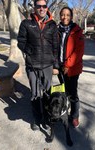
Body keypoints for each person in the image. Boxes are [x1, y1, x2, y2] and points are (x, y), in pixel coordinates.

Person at [17, 0, 59, 131]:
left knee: (47, 93)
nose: (41, 8)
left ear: (47, 8)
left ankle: (47, 118)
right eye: (38, 6)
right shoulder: (26, 23)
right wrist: (29, 51)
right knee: (35, 94)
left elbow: (56, 46)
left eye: (44, 6)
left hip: (47, 65)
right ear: (34, 7)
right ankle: (37, 118)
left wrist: (56, 65)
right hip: (32, 65)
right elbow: (20, 41)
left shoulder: (52, 25)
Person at [58, 7, 84, 128]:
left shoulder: (77, 31)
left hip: (72, 68)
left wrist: (67, 65)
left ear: (71, 17)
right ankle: (64, 112)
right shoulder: (56, 30)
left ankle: (74, 116)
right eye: (63, 15)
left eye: (68, 15)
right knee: (64, 91)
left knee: (73, 94)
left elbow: (78, 52)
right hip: (60, 67)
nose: (65, 17)